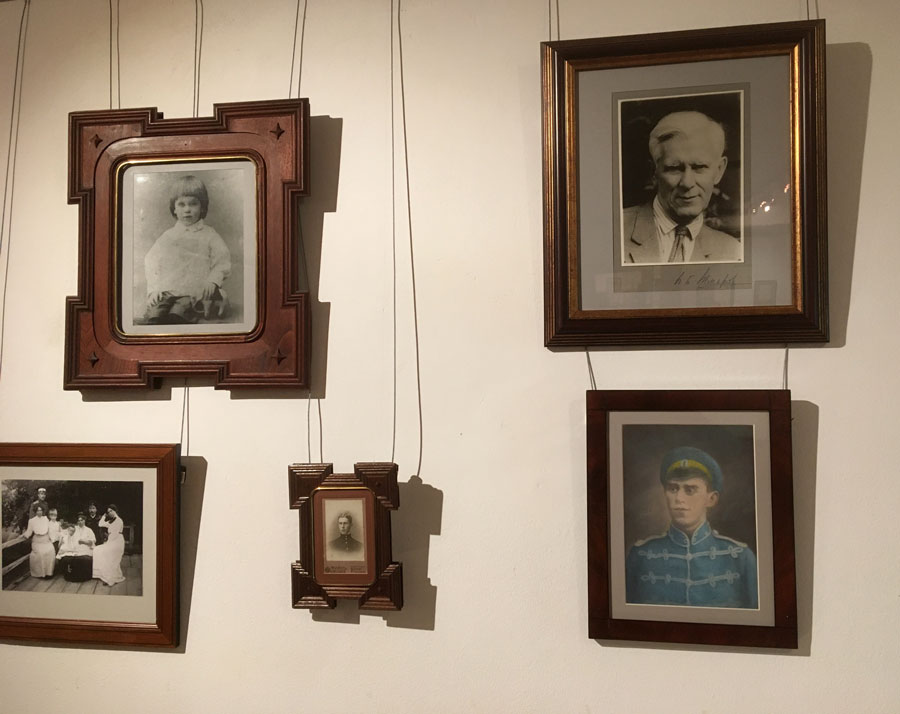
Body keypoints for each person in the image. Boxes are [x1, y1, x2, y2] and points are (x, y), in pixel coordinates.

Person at [625, 446, 758, 608]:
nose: (679, 498)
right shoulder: (640, 556)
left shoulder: (741, 558)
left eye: (690, 490)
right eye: (673, 489)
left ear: (711, 499)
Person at [622, 111, 741, 264]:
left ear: (719, 170)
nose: (687, 183)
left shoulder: (732, 251)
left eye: (699, 167)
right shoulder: (615, 230)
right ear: (653, 172)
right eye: (674, 168)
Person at [143, 175, 231, 324]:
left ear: (202, 207)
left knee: (178, 315)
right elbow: (151, 261)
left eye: (193, 204)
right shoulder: (168, 236)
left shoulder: (209, 234)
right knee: (154, 315)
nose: (187, 210)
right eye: (181, 205)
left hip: (193, 293)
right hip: (168, 290)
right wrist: (154, 289)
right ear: (174, 209)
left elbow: (222, 261)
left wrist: (213, 281)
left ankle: (211, 302)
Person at [92, 505, 126, 586]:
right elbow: (100, 524)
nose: (110, 513)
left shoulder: (119, 521)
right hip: (112, 541)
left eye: (111, 511)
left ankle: (111, 577)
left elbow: (115, 535)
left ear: (115, 510)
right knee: (97, 550)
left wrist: (107, 543)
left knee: (107, 553)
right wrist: (104, 516)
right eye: (108, 512)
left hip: (117, 542)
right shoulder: (111, 521)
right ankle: (103, 574)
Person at [57, 513, 95, 582]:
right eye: (79, 520)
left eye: (81, 520)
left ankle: (83, 576)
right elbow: (66, 533)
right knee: (70, 557)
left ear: (84, 521)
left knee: (84, 559)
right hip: (75, 547)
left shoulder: (89, 530)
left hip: (85, 547)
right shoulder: (74, 528)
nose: (80, 522)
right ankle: (71, 576)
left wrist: (84, 541)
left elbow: (92, 542)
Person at [21, 504, 56, 578]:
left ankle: (48, 573)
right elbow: (29, 531)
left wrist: (53, 538)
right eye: (38, 510)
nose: (39, 512)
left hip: (46, 540)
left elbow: (50, 530)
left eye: (40, 510)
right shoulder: (32, 521)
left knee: (51, 551)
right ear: (35, 511)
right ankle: (41, 574)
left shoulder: (46, 519)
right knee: (41, 553)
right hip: (37, 541)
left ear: (42, 511)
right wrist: (23, 535)